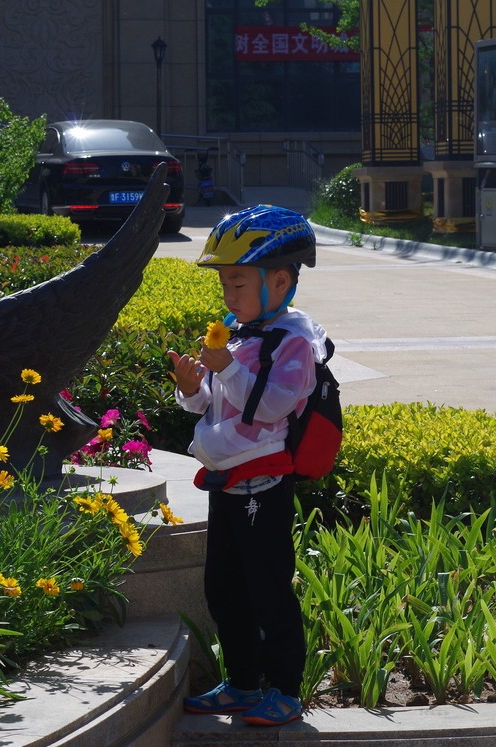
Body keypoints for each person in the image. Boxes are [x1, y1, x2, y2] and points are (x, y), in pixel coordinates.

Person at [167, 205, 330, 727]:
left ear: (279, 280)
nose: (228, 294)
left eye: (237, 282)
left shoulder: (295, 343)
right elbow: (218, 403)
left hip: (264, 485)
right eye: (225, 284)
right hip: (226, 482)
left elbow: (269, 407)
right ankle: (240, 682)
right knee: (224, 588)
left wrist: (229, 367)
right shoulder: (241, 332)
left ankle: (284, 688)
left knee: (268, 588)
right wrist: (193, 387)